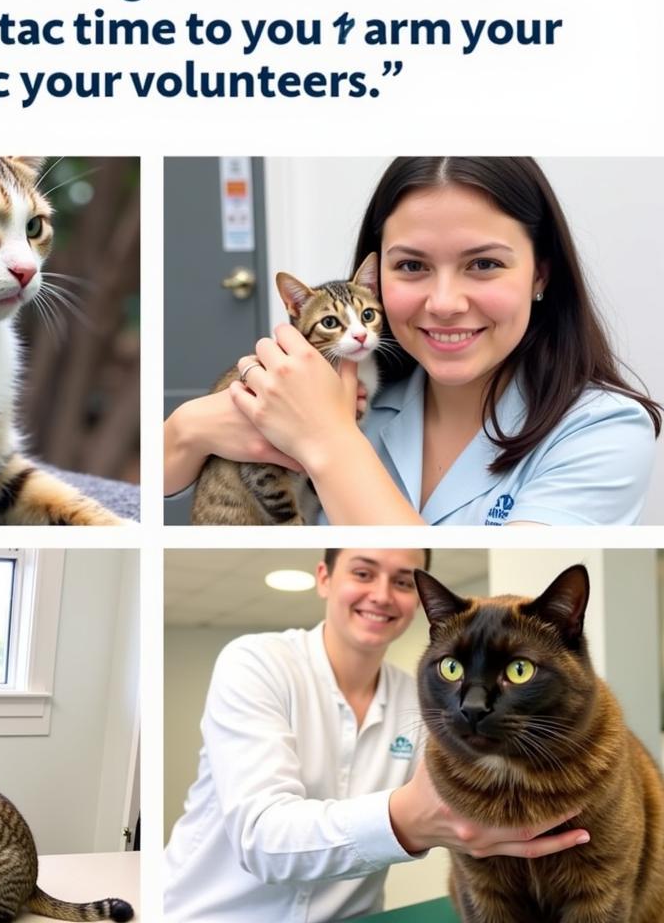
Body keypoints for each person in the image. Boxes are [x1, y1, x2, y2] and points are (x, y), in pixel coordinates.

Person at [164, 157, 661, 524]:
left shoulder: (604, 429)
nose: (444, 302)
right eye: (412, 266)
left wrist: (328, 439)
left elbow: (473, 593)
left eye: (484, 264)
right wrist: (188, 427)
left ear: (539, 275)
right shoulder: (364, 395)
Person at [163, 548, 589, 922]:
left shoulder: (417, 697)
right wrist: (406, 818)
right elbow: (260, 837)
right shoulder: (256, 663)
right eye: (363, 573)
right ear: (325, 577)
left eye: (403, 581)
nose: (383, 595)